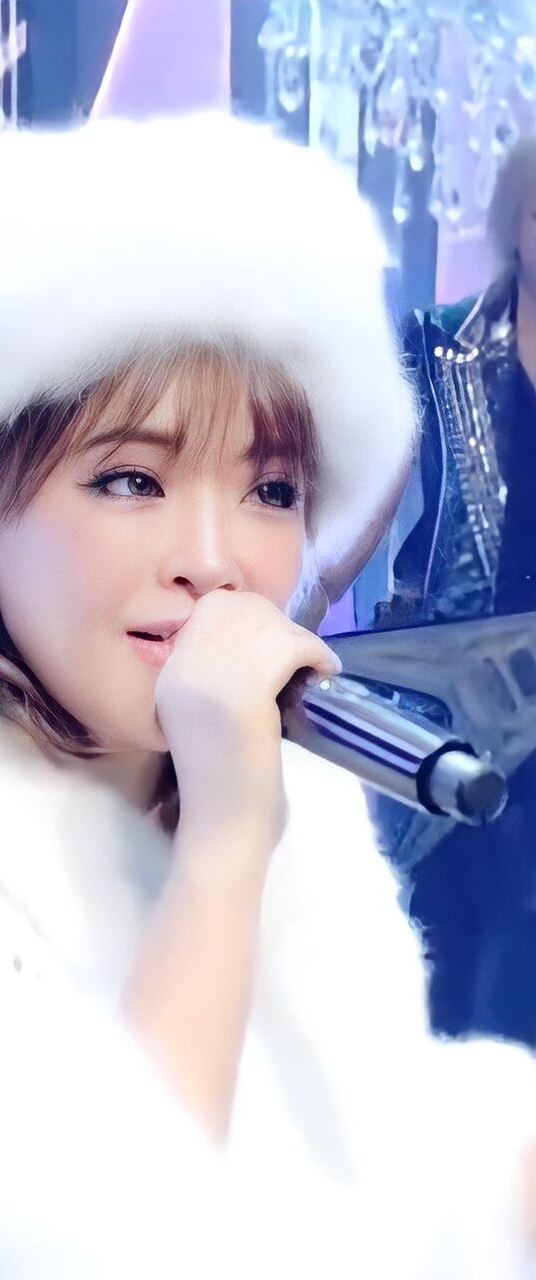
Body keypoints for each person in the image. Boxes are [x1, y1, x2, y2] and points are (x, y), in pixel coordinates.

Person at [0, 116, 536, 1279]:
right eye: (132, 479)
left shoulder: (290, 808)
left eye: (271, 489)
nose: (217, 560)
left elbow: (369, 1153)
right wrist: (223, 852)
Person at [369, 137, 536, 1048]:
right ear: (514, 222)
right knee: (446, 939)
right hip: (459, 680)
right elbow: (370, 493)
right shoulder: (440, 344)